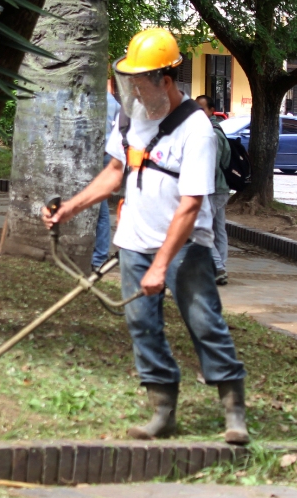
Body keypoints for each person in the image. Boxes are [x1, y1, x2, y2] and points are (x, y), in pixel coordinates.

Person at [42, 28, 249, 444]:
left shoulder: (197, 131)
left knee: (205, 323)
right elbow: (114, 174)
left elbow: (190, 206)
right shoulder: (132, 118)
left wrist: (160, 265)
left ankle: (234, 413)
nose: (132, 91)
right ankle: (162, 411)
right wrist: (69, 210)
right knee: (142, 325)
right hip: (134, 242)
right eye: (129, 82)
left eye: (139, 83)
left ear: (166, 81)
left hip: (186, 248)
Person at [196, 95, 231, 285]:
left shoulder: (212, 132)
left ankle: (218, 266)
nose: (198, 112)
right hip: (219, 187)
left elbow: (212, 164)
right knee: (218, 228)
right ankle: (221, 267)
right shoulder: (212, 129)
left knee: (204, 228)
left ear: (211, 110)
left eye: (202, 109)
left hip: (214, 188)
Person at [91, 78, 123, 271]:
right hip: (107, 155)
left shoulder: (92, 99)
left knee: (100, 208)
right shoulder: (111, 100)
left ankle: (99, 257)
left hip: (99, 156)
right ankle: (99, 255)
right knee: (99, 207)